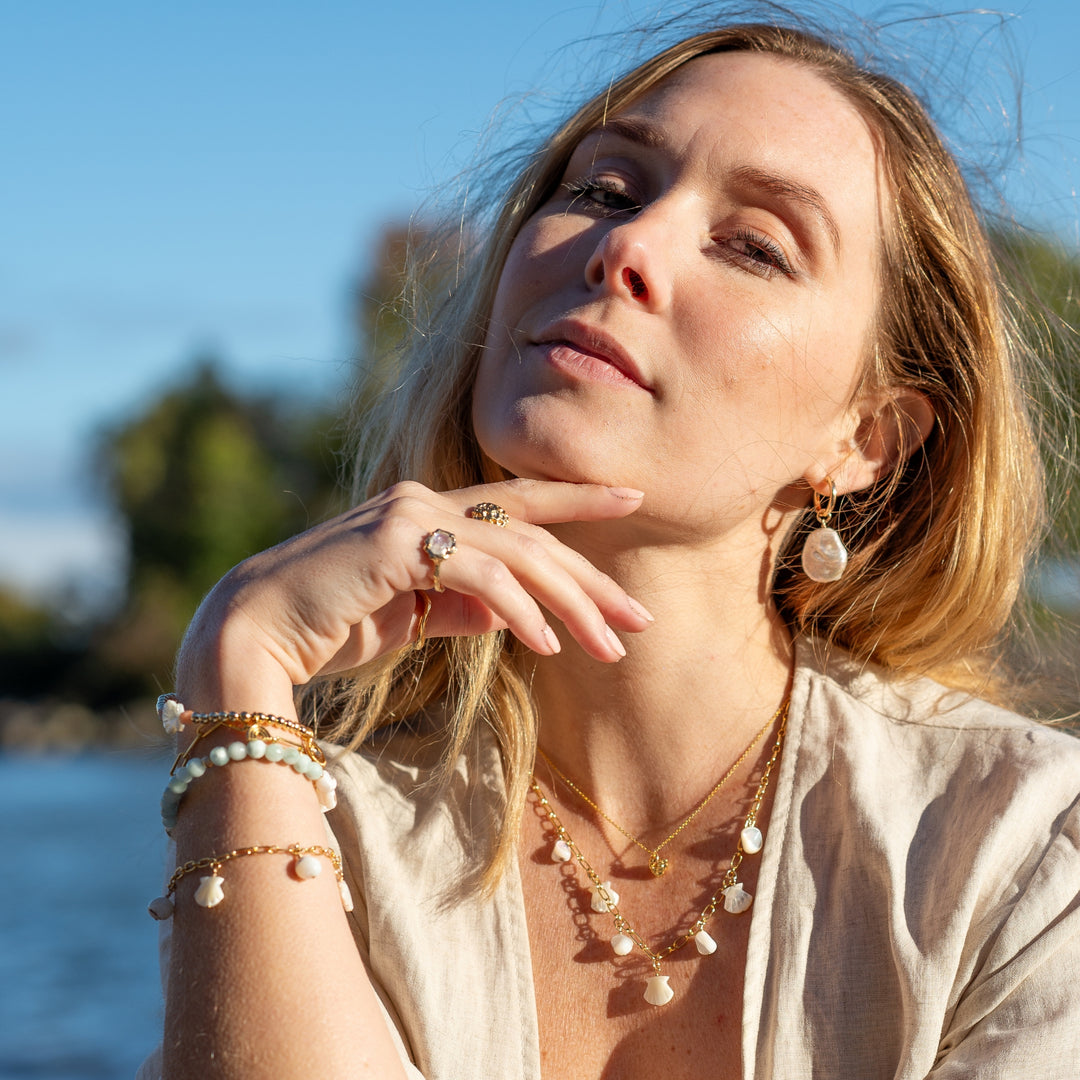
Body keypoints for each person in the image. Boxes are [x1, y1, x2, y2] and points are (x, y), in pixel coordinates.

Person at [141, 13, 1080, 1080]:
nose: (624, 248)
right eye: (602, 191)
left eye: (756, 245)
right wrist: (240, 663)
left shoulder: (1019, 851)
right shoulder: (308, 827)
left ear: (866, 439)